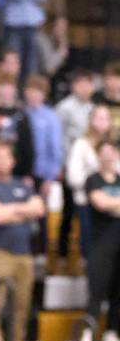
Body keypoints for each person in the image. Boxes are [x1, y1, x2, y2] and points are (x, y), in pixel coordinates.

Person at [0, 143, 46, 341]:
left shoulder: (23, 185)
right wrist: (24, 210)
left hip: (24, 255)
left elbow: (40, 209)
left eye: (5, 157)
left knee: (22, 307)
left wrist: (11, 211)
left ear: (12, 161)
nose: (1, 161)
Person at [55, 69, 96, 261]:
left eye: (88, 83)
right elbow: (59, 138)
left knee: (88, 213)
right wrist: (62, 165)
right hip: (70, 167)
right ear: (73, 86)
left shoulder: (93, 108)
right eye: (80, 83)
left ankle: (85, 254)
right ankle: (62, 254)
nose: (84, 87)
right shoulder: (65, 107)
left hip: (90, 168)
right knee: (69, 211)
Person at [66, 104, 114, 258]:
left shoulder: (114, 146)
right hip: (87, 203)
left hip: (113, 205)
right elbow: (73, 177)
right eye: (98, 118)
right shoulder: (81, 144)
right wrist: (96, 178)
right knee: (92, 248)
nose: (102, 122)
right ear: (90, 120)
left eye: (106, 118)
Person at [85, 139, 120, 341]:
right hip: (100, 243)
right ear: (99, 156)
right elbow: (100, 203)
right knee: (97, 291)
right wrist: (112, 205)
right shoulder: (93, 179)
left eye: (111, 152)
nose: (108, 156)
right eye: (103, 152)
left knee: (119, 292)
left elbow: (109, 204)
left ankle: (112, 335)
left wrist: (112, 204)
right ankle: (88, 335)